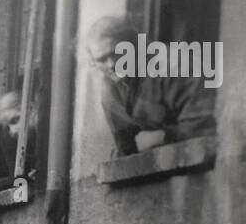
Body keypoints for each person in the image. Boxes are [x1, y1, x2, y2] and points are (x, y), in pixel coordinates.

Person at [85, 15, 215, 156]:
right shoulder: (110, 85)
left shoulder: (176, 66)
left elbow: (205, 129)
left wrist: (162, 136)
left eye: (117, 53)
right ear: (93, 61)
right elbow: (126, 146)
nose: (111, 64)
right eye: (102, 59)